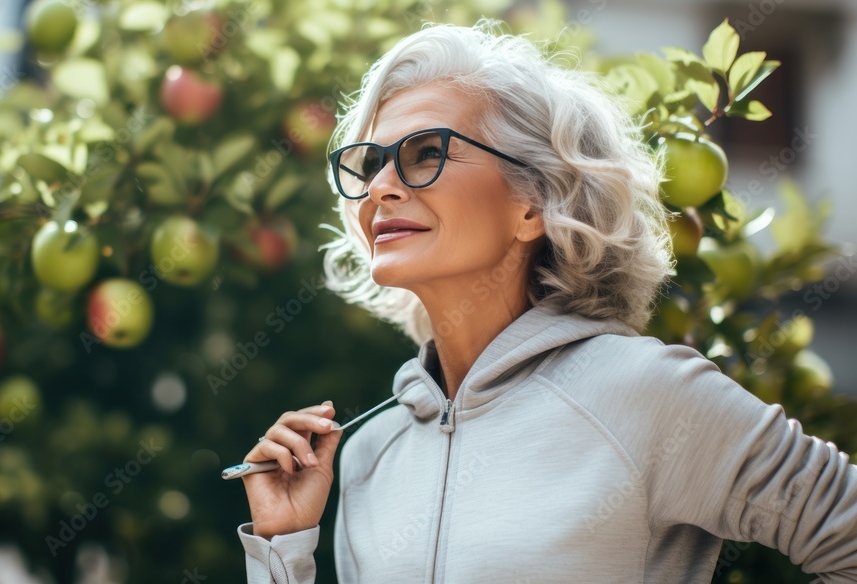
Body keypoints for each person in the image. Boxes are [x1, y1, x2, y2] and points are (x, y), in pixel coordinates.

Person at [234, 20, 857, 583]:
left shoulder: (644, 393)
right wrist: (282, 550)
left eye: (426, 153)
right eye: (370, 164)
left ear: (533, 203)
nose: (380, 188)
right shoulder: (369, 451)